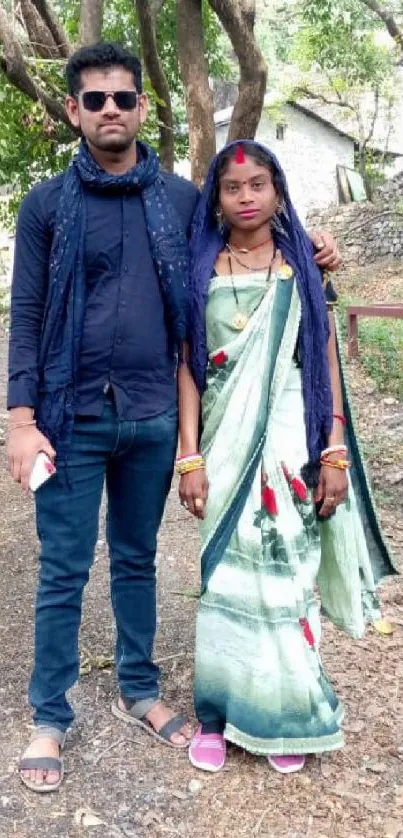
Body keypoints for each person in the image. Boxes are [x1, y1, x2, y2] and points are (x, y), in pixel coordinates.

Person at [7, 42, 341, 792]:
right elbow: (25, 314)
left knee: (136, 559)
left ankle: (139, 691)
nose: (111, 111)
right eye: (94, 100)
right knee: (63, 568)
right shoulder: (46, 207)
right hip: (69, 416)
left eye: (123, 98)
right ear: (73, 111)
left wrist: (314, 247)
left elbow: (252, 242)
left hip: (156, 416)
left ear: (142, 106)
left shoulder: (183, 203)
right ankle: (49, 714)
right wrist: (20, 417)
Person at [177, 140, 394, 774]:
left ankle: (290, 709)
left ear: (278, 192)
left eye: (259, 185)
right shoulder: (201, 267)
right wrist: (189, 457)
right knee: (225, 578)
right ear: (216, 198)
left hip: (291, 438)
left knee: (288, 573)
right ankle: (215, 711)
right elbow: (188, 367)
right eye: (232, 187)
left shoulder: (303, 262)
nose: (246, 197)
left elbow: (321, 357)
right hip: (224, 440)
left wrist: (333, 449)